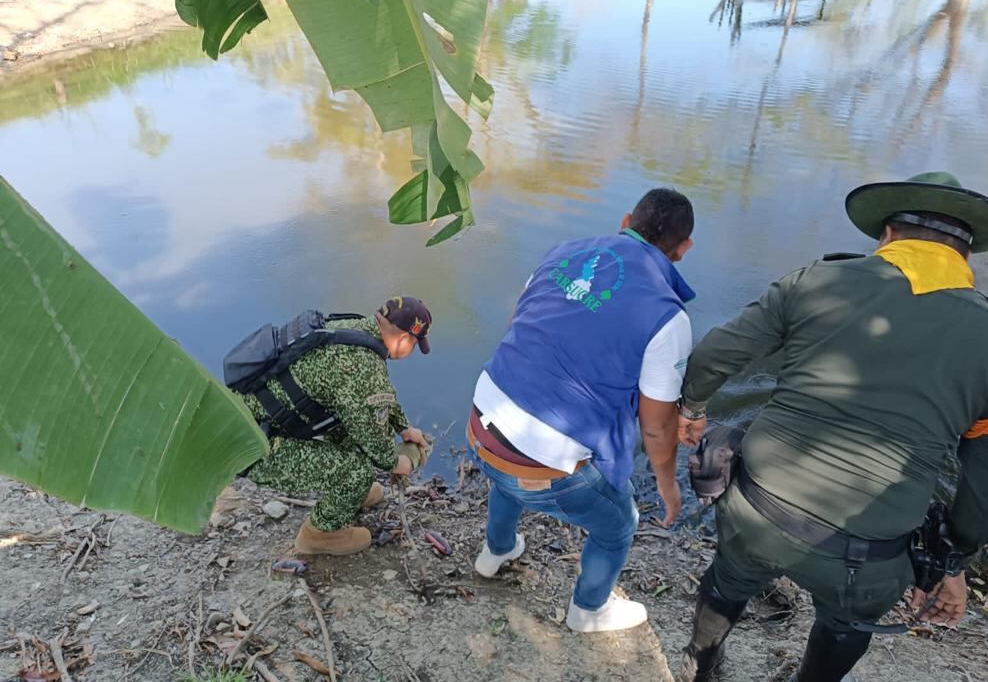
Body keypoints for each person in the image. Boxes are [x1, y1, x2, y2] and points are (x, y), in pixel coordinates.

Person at [675, 172, 988, 682]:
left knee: (729, 579)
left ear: (885, 236)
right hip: (869, 555)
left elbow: (713, 355)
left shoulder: (814, 280)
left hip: (755, 509)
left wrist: (691, 408)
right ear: (965, 257)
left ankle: (699, 669)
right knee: (846, 621)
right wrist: (951, 564)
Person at [467, 188, 699, 633]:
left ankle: (495, 552)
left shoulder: (564, 252)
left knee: (509, 462)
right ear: (683, 249)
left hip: (482, 421)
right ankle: (589, 611)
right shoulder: (669, 318)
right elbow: (655, 427)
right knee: (619, 524)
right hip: (541, 459)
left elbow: (519, 322)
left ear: (626, 219)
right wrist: (669, 488)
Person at [240, 297, 433, 556]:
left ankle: (351, 495)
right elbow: (378, 447)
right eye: (414, 344)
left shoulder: (352, 326)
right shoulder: (363, 367)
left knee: (355, 433)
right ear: (403, 339)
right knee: (358, 471)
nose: (411, 351)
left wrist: (403, 428)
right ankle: (319, 534)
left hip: (256, 421)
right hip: (254, 447)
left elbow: (374, 402)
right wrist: (403, 462)